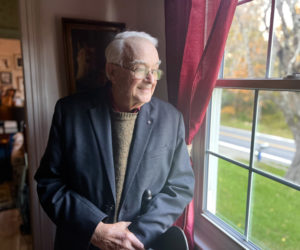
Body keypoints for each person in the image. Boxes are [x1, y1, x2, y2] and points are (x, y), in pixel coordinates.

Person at [35, 31, 194, 250]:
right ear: (112, 71)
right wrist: (95, 229)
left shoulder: (171, 119)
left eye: (155, 69)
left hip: (140, 245)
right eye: (140, 69)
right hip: (82, 243)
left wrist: (134, 236)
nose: (151, 79)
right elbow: (49, 183)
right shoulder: (69, 111)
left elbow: (180, 186)